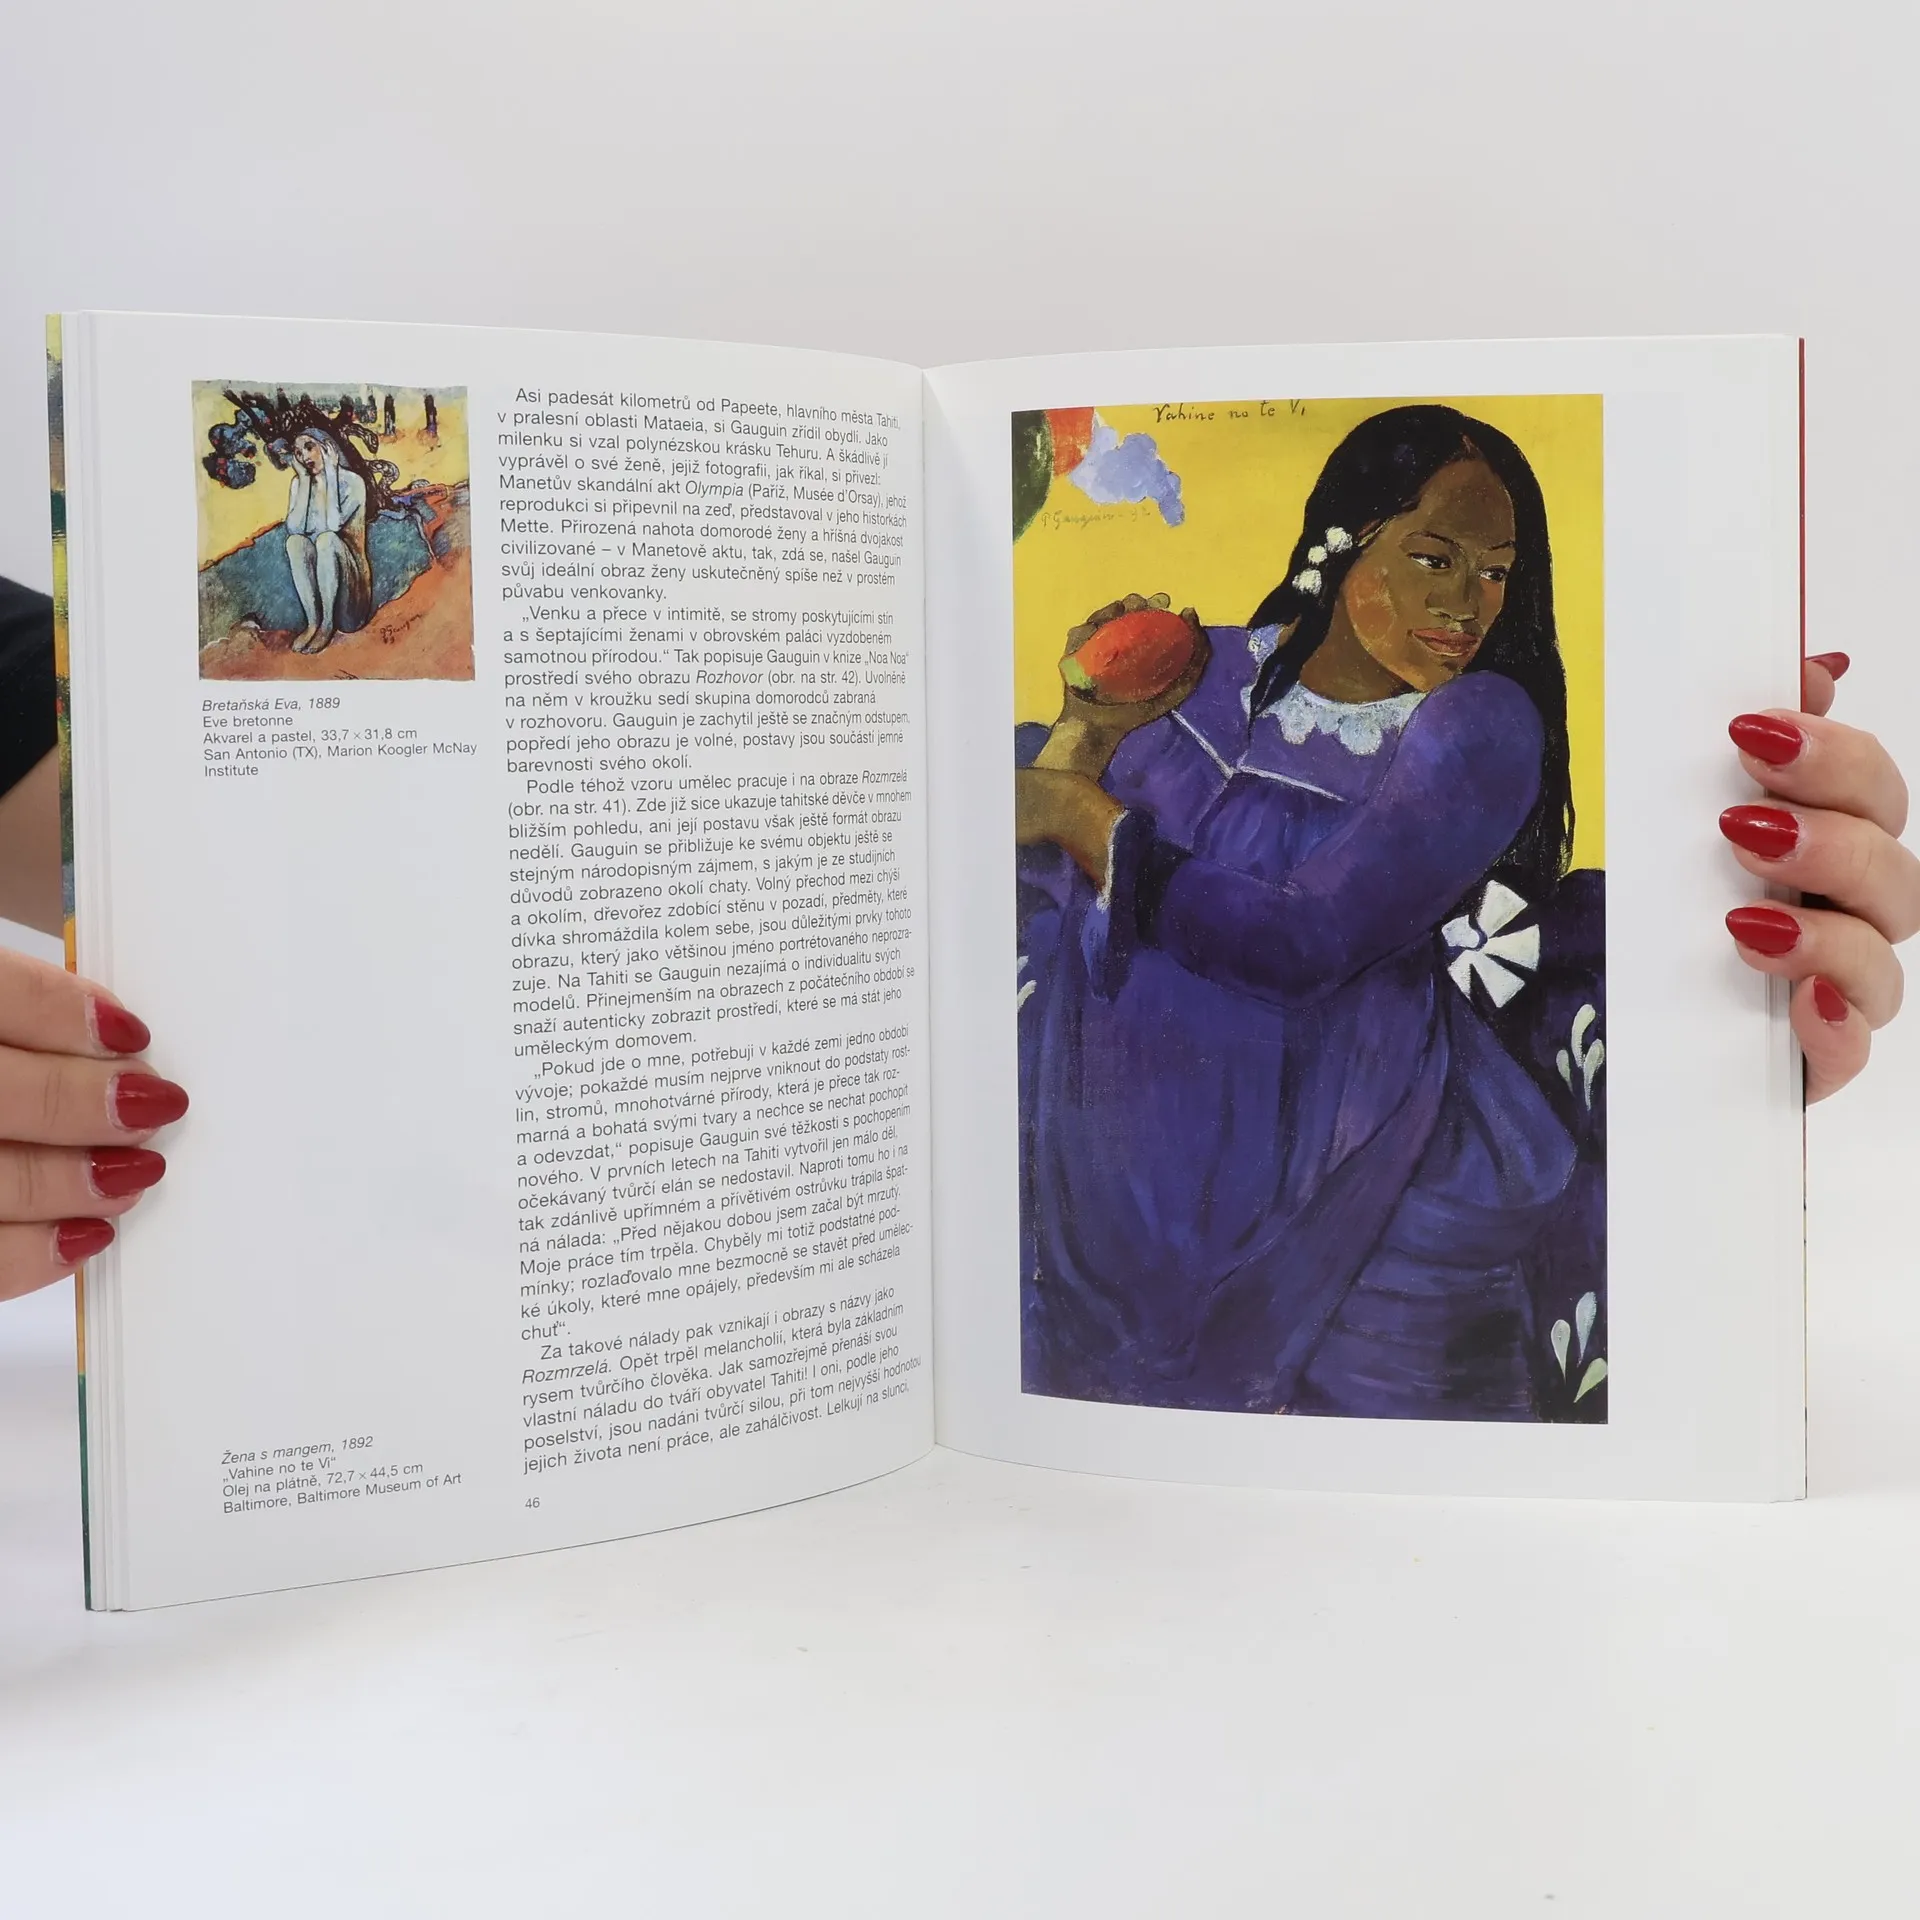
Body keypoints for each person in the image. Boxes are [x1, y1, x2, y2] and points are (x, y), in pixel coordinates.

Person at [1014, 406, 1920, 1418]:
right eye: (1435, 559)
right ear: (1342, 540)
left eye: (1496, 573)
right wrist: (1085, 730)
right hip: (1105, 1161)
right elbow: (1040, 860)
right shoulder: (1196, 668)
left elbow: (1304, 941)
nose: (1467, 605)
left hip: (1331, 1167)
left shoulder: (1476, 730)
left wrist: (1084, 814)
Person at [283, 427, 373, 653]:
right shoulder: (299, 484)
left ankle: (327, 625)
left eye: (309, 447)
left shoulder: (352, 482)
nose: (304, 457)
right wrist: (304, 481)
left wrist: (331, 474)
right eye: (298, 452)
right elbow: (294, 528)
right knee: (295, 543)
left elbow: (333, 525)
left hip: (351, 600)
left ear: (328, 447)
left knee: (326, 540)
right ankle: (313, 622)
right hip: (324, 586)